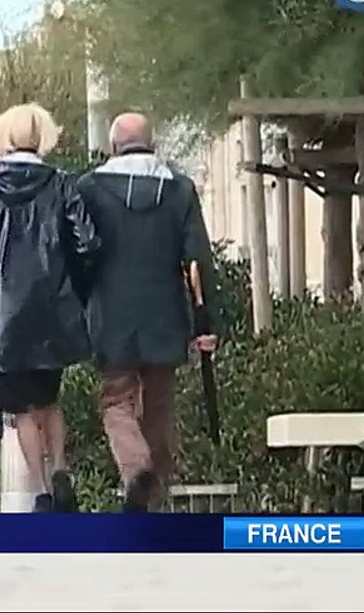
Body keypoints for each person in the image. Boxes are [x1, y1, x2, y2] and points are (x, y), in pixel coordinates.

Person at [0, 103, 100, 513]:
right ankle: (59, 469)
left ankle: (39, 489)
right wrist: (75, 289)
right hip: (53, 309)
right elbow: (88, 242)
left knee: (20, 408)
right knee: (49, 399)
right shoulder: (61, 183)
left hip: (6, 315)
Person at [77, 112, 219, 512]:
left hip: (111, 313)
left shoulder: (89, 189)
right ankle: (155, 495)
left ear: (112, 147)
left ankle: (136, 470)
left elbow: (79, 251)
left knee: (116, 400)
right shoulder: (179, 190)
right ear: (153, 145)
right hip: (165, 314)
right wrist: (206, 322)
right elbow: (197, 262)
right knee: (158, 404)